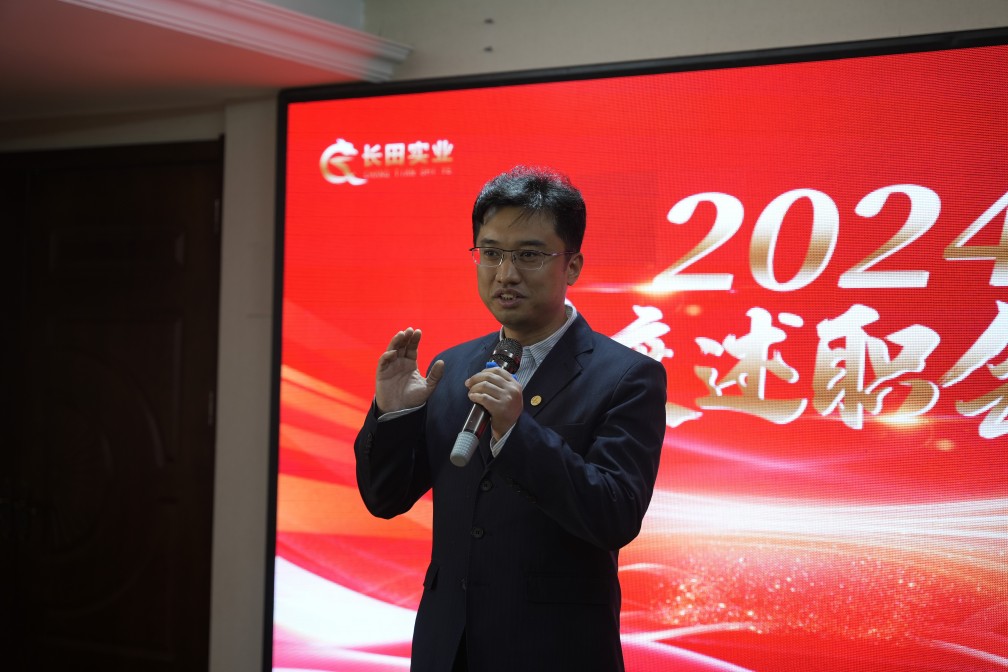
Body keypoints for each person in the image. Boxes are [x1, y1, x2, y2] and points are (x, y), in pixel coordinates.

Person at [354, 165, 667, 672]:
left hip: (555, 652)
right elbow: (384, 500)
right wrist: (394, 414)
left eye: (528, 255)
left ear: (572, 265)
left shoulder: (626, 377)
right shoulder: (452, 367)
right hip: (447, 650)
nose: (505, 273)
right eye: (491, 253)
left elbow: (615, 515)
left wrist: (518, 433)